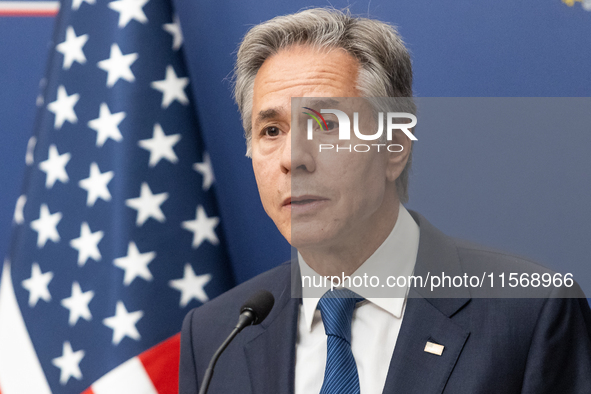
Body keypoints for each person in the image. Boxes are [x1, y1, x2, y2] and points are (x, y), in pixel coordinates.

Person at [179, 8, 591, 394]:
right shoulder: (217, 334)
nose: (291, 159)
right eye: (271, 131)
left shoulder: (529, 312)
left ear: (394, 147)